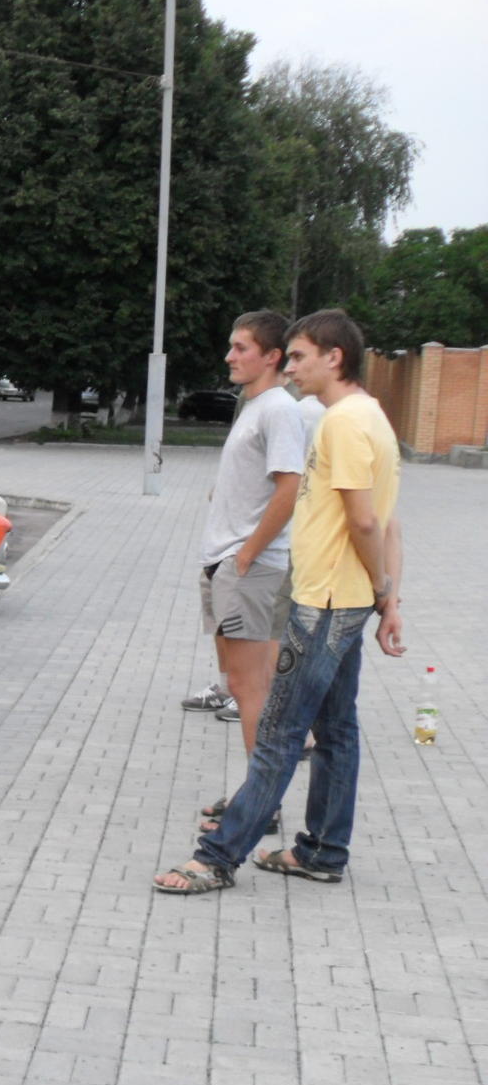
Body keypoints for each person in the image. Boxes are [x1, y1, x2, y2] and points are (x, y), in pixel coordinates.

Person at [153, 309, 404, 894]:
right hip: (346, 600)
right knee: (336, 731)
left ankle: (217, 858)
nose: (289, 368)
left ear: (334, 357)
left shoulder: (344, 423)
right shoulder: (373, 416)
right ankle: (322, 851)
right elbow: (391, 521)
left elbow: (367, 522)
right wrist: (388, 599)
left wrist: (382, 590)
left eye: (298, 356)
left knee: (279, 734)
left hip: (324, 602)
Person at [191, 310, 305, 829]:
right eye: (231, 346)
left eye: (241, 348)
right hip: (228, 563)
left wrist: (246, 554)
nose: (229, 356)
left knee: (251, 687)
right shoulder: (256, 405)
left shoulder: (279, 409)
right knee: (243, 686)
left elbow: (290, 486)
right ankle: (256, 796)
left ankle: (261, 806)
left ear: (272, 356)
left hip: (248, 568)